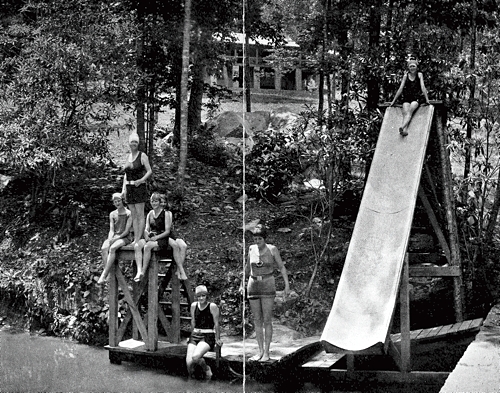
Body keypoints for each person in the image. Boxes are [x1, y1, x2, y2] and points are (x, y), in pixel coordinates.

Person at [240, 224, 290, 362]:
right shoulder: (251, 249)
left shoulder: (272, 249)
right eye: (255, 239)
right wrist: (241, 284)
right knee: (257, 319)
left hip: (268, 284)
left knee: (267, 319)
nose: (257, 241)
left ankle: (267, 351)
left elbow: (281, 267)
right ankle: (260, 351)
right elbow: (247, 268)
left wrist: (287, 285)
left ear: (264, 239)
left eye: (260, 239)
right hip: (253, 284)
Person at [134, 192, 188, 282]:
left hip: (161, 237)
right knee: (137, 246)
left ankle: (143, 271)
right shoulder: (150, 214)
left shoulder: (166, 213)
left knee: (148, 246)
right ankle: (139, 270)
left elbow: (167, 231)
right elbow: (147, 228)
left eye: (156, 201)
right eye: (152, 201)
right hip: (152, 235)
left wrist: (156, 238)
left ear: (159, 202)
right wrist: (146, 234)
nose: (154, 203)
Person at [122, 133, 152, 279]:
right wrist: (123, 189)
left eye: (135, 142)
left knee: (140, 214)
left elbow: (149, 171)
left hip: (139, 187)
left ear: (138, 143)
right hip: (129, 188)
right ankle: (136, 238)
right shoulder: (128, 157)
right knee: (133, 214)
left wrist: (141, 180)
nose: (133, 144)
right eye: (131, 142)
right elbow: (125, 175)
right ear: (129, 143)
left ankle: (139, 238)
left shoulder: (142, 155)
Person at [186, 285, 222, 380]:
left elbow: (217, 324)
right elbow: (193, 321)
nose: (201, 298)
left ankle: (206, 368)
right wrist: (190, 336)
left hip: (207, 336)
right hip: (195, 335)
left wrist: (218, 339)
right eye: (199, 296)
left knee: (196, 357)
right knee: (189, 365)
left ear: (206, 296)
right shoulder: (194, 306)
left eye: (203, 295)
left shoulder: (212, 306)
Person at [390, 57, 431, 136]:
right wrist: (393, 101)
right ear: (408, 68)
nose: (412, 68)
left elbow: (423, 87)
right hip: (407, 97)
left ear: (416, 67)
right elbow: (400, 88)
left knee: (410, 111)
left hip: (416, 98)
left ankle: (402, 126)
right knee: (405, 112)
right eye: (410, 66)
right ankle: (404, 131)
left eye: (413, 66)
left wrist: (427, 99)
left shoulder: (419, 75)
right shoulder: (406, 76)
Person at [98, 193, 133, 284]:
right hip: (115, 237)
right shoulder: (112, 214)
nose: (117, 203)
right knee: (104, 248)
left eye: (119, 201)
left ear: (122, 201)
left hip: (125, 238)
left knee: (113, 248)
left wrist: (116, 239)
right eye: (115, 201)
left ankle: (104, 274)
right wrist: (110, 239)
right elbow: (112, 230)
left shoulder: (129, 213)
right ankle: (109, 273)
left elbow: (126, 231)